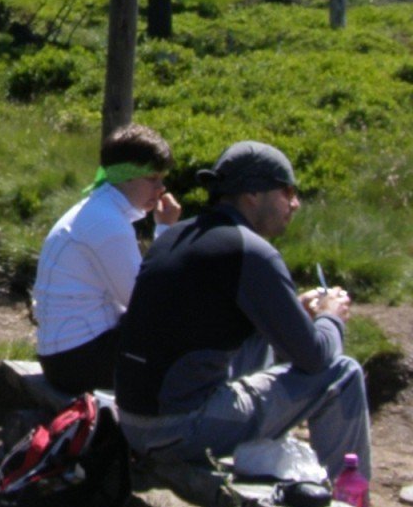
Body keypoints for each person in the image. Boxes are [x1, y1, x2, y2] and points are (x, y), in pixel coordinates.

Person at [114, 140, 370, 481]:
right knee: (343, 373)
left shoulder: (175, 235)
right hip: (177, 429)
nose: (295, 203)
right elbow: (315, 359)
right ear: (252, 193)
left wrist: (293, 311)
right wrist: (330, 316)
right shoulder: (251, 251)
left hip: (133, 418)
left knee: (256, 338)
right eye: (287, 190)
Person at [33, 123, 180, 395]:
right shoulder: (108, 224)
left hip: (66, 354)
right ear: (126, 178)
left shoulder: (98, 210)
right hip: (78, 361)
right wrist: (165, 230)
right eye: (152, 178)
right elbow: (145, 302)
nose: (161, 188)